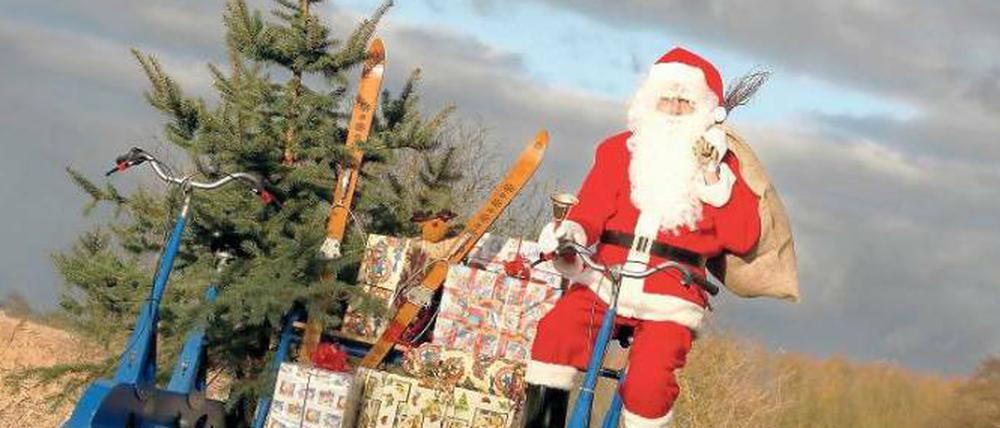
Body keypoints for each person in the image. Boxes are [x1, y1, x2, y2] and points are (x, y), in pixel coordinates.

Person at [523, 47, 762, 428]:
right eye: (664, 99)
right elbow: (591, 210)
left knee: (648, 384)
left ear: (704, 110)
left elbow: (743, 236)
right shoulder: (619, 150)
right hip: (605, 278)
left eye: (683, 102)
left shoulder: (721, 166)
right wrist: (570, 233)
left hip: (673, 290)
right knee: (556, 334)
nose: (672, 109)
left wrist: (714, 178)